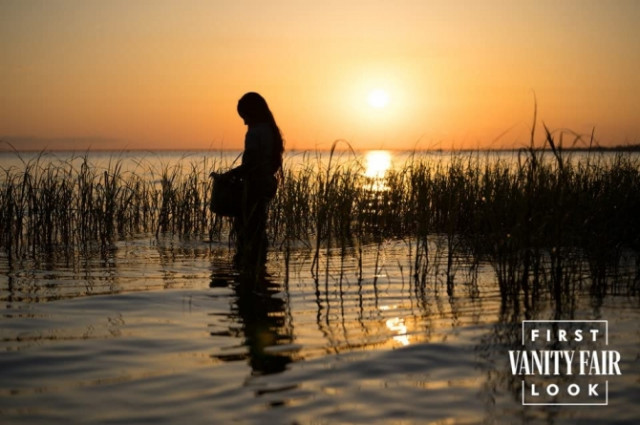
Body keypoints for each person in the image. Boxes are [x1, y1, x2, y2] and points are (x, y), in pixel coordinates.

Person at [218, 92, 284, 274]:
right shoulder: (271, 130)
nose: (244, 122)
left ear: (252, 113)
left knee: (247, 233)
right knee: (258, 230)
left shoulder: (255, 132)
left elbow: (251, 164)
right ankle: (258, 271)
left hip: (254, 188)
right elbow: (270, 163)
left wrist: (228, 175)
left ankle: (248, 274)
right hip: (266, 185)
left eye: (244, 117)